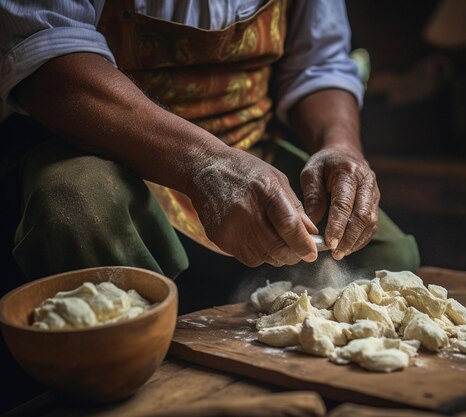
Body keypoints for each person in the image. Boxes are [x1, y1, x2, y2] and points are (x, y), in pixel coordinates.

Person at [0, 0, 419, 306]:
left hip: (252, 146)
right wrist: (207, 164)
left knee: (386, 257)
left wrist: (341, 144)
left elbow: (320, 64)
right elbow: (48, 58)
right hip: (107, 139)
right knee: (80, 212)